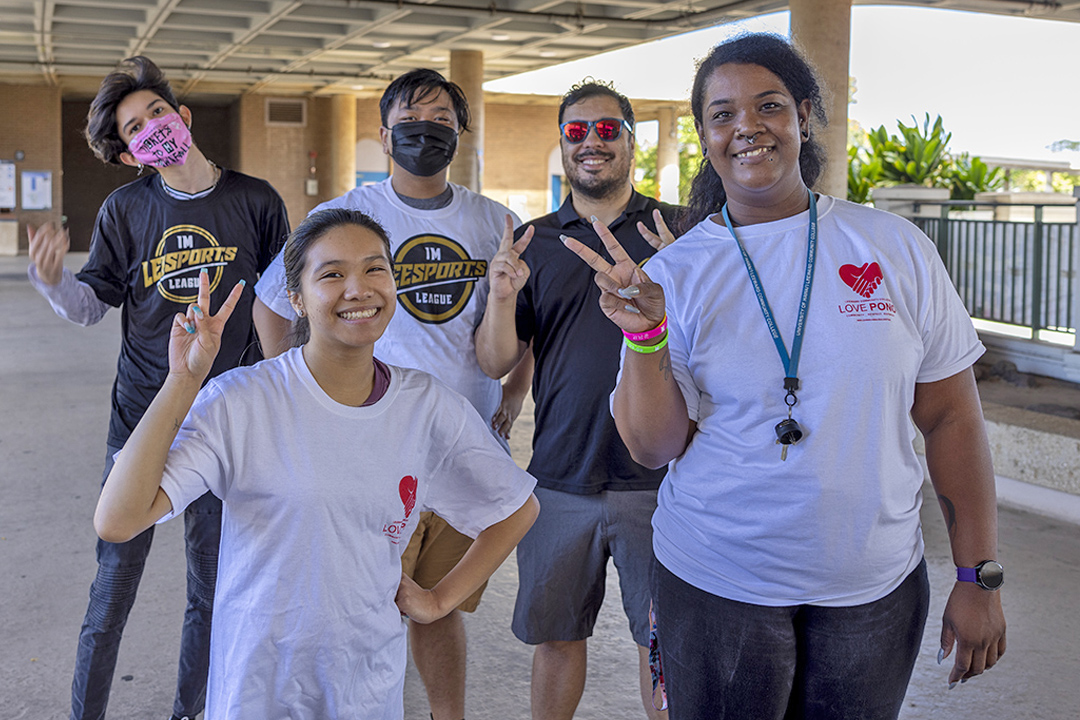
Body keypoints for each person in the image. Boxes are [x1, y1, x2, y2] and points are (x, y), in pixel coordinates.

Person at [561, 34, 1007, 720]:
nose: (746, 127)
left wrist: (979, 575)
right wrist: (646, 335)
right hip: (715, 580)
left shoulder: (894, 248)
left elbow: (952, 418)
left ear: (803, 114)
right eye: (722, 115)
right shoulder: (677, 272)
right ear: (706, 136)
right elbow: (653, 447)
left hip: (873, 587)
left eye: (768, 105)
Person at [93, 208, 540, 720]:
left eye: (376, 269)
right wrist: (182, 380)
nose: (359, 289)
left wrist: (439, 601)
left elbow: (516, 508)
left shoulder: (425, 405)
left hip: (365, 686)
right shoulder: (241, 401)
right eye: (331, 274)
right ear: (297, 299)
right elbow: (118, 519)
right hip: (258, 686)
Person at [253, 68, 532, 720]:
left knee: (435, 609)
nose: (425, 131)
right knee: (353, 610)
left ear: (460, 133)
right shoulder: (345, 216)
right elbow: (272, 306)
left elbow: (527, 328)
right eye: (411, 119)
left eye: (440, 119)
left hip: (460, 456)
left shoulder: (496, 222)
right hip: (367, 452)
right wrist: (300, 396)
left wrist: (513, 396)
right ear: (383, 134)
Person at [26, 56, 290, 720]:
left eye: (157, 114)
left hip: (227, 421)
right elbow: (94, 305)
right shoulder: (126, 209)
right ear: (129, 156)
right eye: (136, 130)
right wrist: (55, 284)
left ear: (184, 116)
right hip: (144, 419)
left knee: (211, 587)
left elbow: (283, 304)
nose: (153, 130)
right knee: (114, 584)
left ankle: (189, 712)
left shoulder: (256, 201)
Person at [475, 79, 676, 720]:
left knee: (664, 645)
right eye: (576, 131)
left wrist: (687, 288)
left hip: (664, 481)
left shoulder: (679, 233)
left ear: (631, 142)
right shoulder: (534, 244)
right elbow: (496, 360)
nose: (592, 142)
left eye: (608, 129)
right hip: (560, 477)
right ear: (563, 144)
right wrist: (502, 295)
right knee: (558, 639)